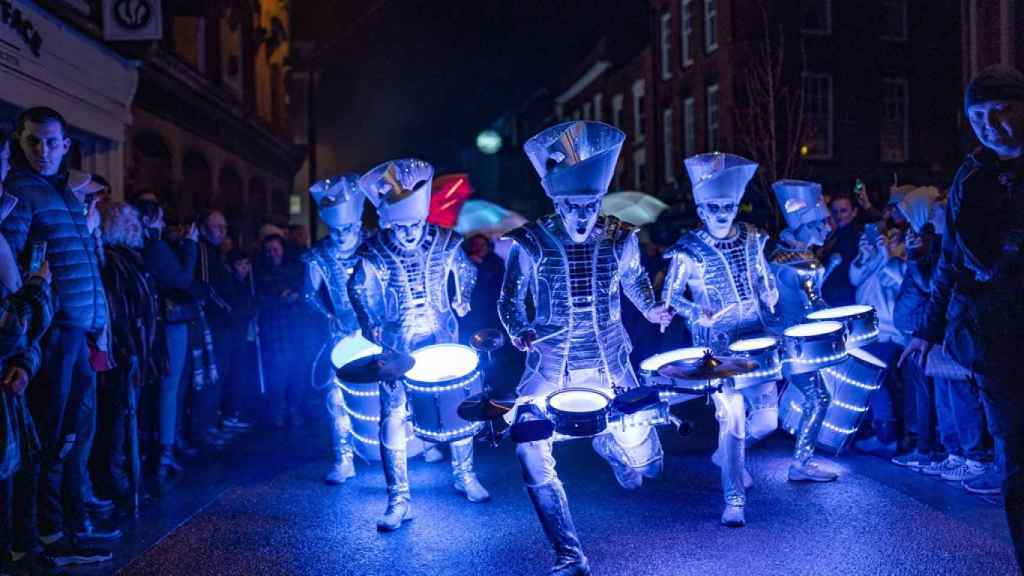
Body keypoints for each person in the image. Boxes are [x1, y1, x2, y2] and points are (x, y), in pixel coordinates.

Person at [499, 121, 671, 575]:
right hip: (549, 365)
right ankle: (570, 555)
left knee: (649, 465)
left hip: (612, 361)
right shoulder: (531, 242)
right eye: (572, 206)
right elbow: (510, 297)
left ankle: (613, 444)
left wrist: (652, 311)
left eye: (590, 204)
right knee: (529, 449)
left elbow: (634, 279)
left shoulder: (621, 236)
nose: (582, 215)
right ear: (556, 200)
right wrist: (519, 330)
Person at [901, 64, 1024, 571]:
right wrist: (928, 330)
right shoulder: (970, 175)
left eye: (999, 111)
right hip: (995, 336)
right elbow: (951, 257)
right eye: (977, 114)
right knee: (1015, 458)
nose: (988, 124)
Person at [1, 107, 121, 555]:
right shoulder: (20, 190)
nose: (43, 150)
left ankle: (69, 525)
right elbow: (10, 268)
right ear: (21, 140)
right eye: (34, 141)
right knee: (53, 438)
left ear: (66, 145)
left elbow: (85, 262)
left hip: (79, 334)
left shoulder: (65, 193)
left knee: (74, 433)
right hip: (50, 336)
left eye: (52, 142)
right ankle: (51, 536)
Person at [349, 158, 489, 532]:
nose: (409, 233)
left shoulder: (445, 242)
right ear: (387, 222)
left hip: (441, 335)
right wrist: (370, 321)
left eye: (414, 224)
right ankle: (398, 498)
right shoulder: (374, 250)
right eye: (401, 226)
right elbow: (358, 287)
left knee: (462, 407)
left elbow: (466, 271)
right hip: (397, 345)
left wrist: (462, 297)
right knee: (393, 415)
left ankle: (465, 474)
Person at [662, 152, 780, 527]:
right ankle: (734, 499)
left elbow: (762, 276)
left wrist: (770, 292)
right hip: (717, 346)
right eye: (712, 207)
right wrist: (698, 311)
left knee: (766, 423)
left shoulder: (752, 236)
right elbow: (670, 296)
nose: (721, 213)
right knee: (733, 422)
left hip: (757, 337)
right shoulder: (688, 249)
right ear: (700, 209)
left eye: (727, 205)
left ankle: (727, 457)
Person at [768, 179, 839, 482]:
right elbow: (815, 308)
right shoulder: (802, 264)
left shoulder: (781, 254)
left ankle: (731, 453)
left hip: (783, 340)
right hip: (795, 344)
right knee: (819, 398)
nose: (828, 227)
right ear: (805, 225)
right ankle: (801, 463)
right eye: (821, 222)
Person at [133, 195, 202, 493]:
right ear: (149, 220)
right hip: (170, 322)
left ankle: (162, 448)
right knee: (170, 387)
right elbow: (183, 279)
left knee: (165, 387)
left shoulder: (147, 244)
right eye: (160, 218)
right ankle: (165, 451)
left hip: (159, 322)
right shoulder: (156, 246)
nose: (164, 224)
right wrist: (190, 246)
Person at [301, 174, 365, 484]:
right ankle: (344, 458)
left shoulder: (374, 246)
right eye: (335, 230)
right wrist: (329, 315)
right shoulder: (319, 255)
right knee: (337, 397)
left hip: (379, 331)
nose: (341, 236)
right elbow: (308, 294)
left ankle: (413, 446)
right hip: (342, 335)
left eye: (347, 229)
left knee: (396, 389)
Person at [95, 201, 156, 505]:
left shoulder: (130, 259)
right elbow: (118, 309)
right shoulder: (116, 262)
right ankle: (116, 481)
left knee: (125, 415)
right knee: (118, 417)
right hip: (125, 350)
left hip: (135, 347)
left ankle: (124, 478)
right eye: (130, 224)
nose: (138, 229)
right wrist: (127, 348)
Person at [256, 230, 305, 429]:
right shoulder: (260, 273)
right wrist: (279, 298)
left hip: (294, 329)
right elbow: (261, 298)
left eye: (276, 249)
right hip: (273, 330)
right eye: (269, 251)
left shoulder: (294, 269)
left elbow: (303, 293)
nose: (273, 253)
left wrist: (295, 296)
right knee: (276, 373)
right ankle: (278, 412)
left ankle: (295, 410)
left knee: (297, 371)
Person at [820, 194, 862, 306]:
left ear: (854, 212)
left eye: (843, 211)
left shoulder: (855, 237)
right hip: (833, 296)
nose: (838, 215)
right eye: (834, 211)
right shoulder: (835, 234)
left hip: (844, 297)